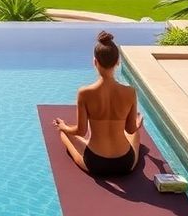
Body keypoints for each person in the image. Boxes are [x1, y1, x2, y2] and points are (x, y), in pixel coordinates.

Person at [53, 31, 142, 177]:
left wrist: (64, 127)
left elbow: (81, 131)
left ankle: (65, 132)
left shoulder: (84, 93)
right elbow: (131, 129)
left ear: (95, 62)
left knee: (64, 134)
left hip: (95, 163)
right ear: (118, 62)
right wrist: (138, 124)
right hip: (125, 163)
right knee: (136, 135)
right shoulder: (130, 92)